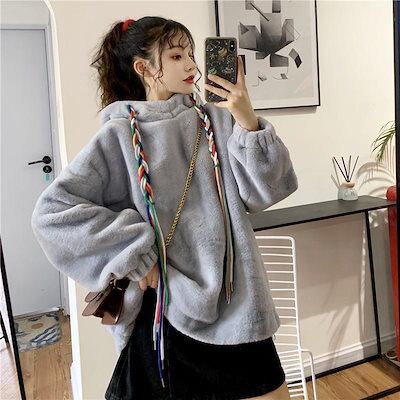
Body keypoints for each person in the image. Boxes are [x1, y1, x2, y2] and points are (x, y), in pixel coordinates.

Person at [31, 15, 298, 400]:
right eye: (176, 56)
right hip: (166, 309)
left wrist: (246, 118)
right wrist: (136, 253)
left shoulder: (217, 120)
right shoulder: (119, 135)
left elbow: (266, 193)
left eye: (191, 54)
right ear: (144, 68)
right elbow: (52, 213)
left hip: (236, 301)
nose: (191, 65)